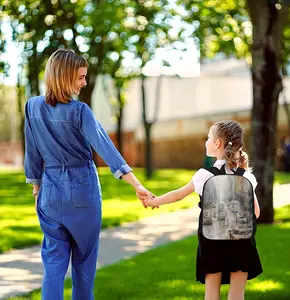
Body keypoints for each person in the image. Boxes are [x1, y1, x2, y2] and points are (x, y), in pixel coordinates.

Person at [24, 49, 153, 300]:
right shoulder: (79, 111)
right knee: (83, 265)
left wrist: (37, 189)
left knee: (53, 264)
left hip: (49, 193)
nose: (84, 83)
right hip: (82, 191)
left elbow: (32, 153)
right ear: (64, 77)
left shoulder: (32, 107)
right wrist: (136, 184)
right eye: (80, 77)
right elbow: (107, 148)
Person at [144, 120, 262, 300]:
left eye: (208, 138)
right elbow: (256, 212)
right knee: (237, 294)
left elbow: (178, 195)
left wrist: (154, 202)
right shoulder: (246, 177)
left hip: (212, 243)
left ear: (217, 144)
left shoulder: (204, 175)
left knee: (211, 294)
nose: (206, 142)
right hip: (241, 243)